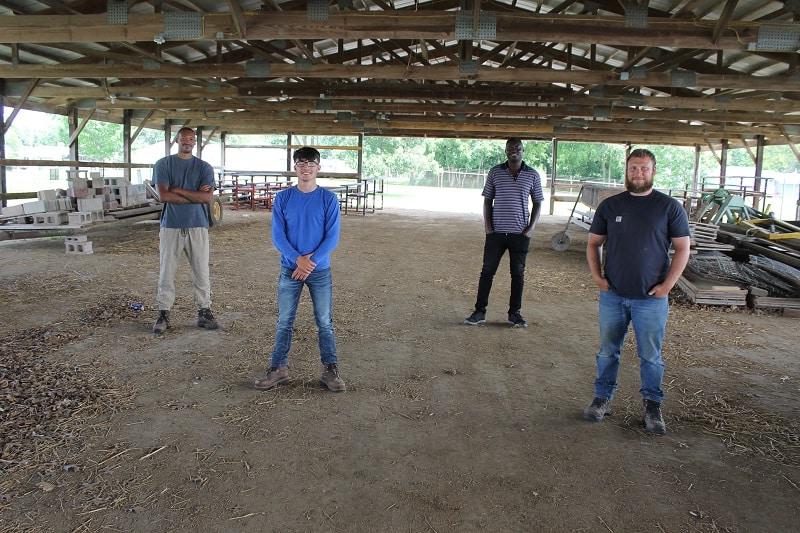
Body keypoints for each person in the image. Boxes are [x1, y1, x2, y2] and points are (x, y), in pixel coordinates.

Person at [582, 148, 691, 435]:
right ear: (626, 170)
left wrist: (667, 285)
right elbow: (593, 243)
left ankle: (652, 406)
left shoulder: (669, 207)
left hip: (651, 299)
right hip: (613, 295)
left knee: (650, 356)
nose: (638, 173)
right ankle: (602, 398)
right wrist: (597, 276)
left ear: (653, 171)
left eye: (644, 168)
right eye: (633, 168)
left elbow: (683, 249)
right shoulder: (611, 206)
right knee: (608, 351)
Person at [254, 147, 345, 392]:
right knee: (284, 320)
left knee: (324, 321)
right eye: (301, 163)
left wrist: (309, 262)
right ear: (295, 167)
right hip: (290, 269)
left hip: (319, 270)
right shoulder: (283, 198)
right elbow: (278, 236)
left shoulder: (328, 199)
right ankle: (278, 368)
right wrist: (298, 260)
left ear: (318, 167)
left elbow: (332, 237)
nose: (306, 168)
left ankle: (330, 369)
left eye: (311, 163)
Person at [464, 137, 543, 328]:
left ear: (523, 150)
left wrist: (530, 229)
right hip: (496, 233)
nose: (513, 150)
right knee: (487, 272)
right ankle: (479, 312)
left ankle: (514, 314)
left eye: (517, 147)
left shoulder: (532, 175)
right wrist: (488, 228)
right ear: (506, 151)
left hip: (520, 234)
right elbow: (487, 201)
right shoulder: (495, 172)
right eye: (510, 148)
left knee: (517, 274)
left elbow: (538, 202)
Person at [151, 127, 219, 334]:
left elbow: (207, 198)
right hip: (170, 224)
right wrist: (194, 194)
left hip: (198, 224)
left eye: (191, 139)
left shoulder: (204, 167)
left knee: (201, 270)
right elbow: (163, 196)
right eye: (183, 139)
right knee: (167, 270)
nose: (187, 142)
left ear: (195, 141)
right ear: (177, 140)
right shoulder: (164, 164)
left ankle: (204, 310)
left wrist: (177, 189)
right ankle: (163, 312)